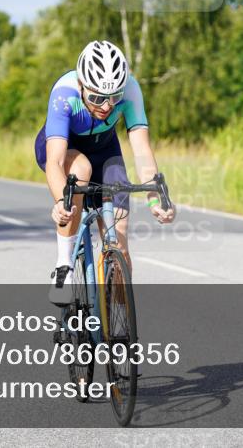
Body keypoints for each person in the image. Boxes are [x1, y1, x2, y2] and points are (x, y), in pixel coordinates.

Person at [35, 40, 175, 305]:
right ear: (81, 85)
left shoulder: (131, 89)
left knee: (118, 240)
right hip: (65, 149)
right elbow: (54, 162)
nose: (107, 106)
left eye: (114, 97)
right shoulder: (65, 93)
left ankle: (114, 326)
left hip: (105, 149)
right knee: (81, 170)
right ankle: (63, 265)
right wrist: (59, 202)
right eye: (97, 97)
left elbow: (141, 148)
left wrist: (155, 199)